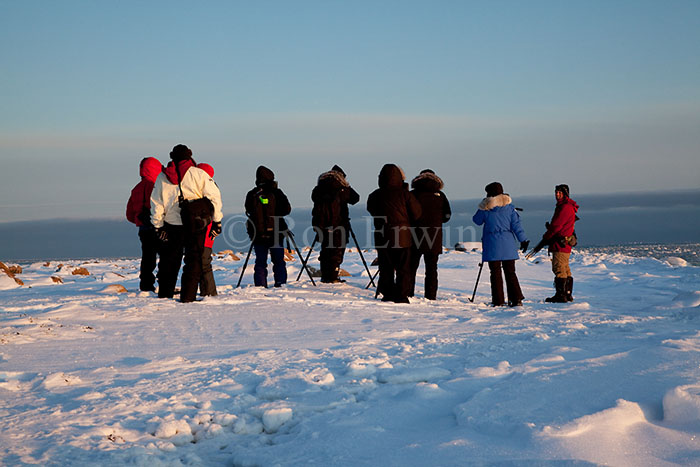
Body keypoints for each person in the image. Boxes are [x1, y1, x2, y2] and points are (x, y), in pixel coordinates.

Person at [150, 145, 223, 302]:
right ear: (189, 157)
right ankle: (188, 298)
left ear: (172, 158)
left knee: (169, 262)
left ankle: (165, 295)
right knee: (193, 261)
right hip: (195, 224)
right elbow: (214, 197)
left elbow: (156, 204)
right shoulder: (198, 174)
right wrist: (217, 221)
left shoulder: (162, 177)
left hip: (171, 225)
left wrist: (158, 226)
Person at [367, 164, 422, 303]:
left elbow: (371, 210)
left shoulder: (375, 195)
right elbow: (417, 213)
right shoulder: (405, 194)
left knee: (386, 266)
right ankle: (401, 294)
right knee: (403, 267)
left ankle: (387, 293)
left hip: (382, 235)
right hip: (403, 236)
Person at [472, 182, 529, 306]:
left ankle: (498, 300)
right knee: (510, 272)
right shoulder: (509, 208)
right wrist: (523, 240)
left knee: (495, 273)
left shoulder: (486, 208)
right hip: (508, 244)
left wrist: (482, 205)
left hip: (492, 244)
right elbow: (516, 226)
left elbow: (476, 220)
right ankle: (516, 299)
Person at [311, 165, 360, 283]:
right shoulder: (342, 189)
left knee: (325, 249)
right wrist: (346, 185)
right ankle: (333, 276)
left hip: (321, 225)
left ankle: (325, 275)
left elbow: (314, 198)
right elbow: (355, 198)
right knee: (337, 250)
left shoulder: (318, 189)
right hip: (339, 224)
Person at [244, 166, 291, 288]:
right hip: (276, 232)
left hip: (258, 233)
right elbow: (287, 209)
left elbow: (248, 210)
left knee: (260, 262)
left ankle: (260, 285)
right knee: (279, 261)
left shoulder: (252, 194)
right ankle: (280, 284)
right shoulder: (277, 193)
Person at [408, 169, 452, 300]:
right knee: (432, 268)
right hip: (434, 235)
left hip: (415, 234)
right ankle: (431, 296)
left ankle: (408, 292)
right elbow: (447, 215)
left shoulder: (412, 194)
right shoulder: (440, 195)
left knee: (411, 267)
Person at [126, 156, 164, 292]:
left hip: (143, 229)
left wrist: (139, 220)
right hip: (157, 226)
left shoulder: (136, 189)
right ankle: (164, 282)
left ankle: (146, 285)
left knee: (148, 258)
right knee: (164, 256)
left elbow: (129, 214)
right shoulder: (156, 186)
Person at [541, 184, 579, 303]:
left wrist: (547, 236)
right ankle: (567, 294)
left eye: (560, 193)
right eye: (556, 192)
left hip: (560, 243)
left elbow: (557, 225)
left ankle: (561, 295)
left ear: (565, 193)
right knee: (565, 267)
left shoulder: (565, 207)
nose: (557, 195)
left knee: (559, 267)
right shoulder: (566, 206)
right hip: (565, 243)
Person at [197, 163, 220, 297]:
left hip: (206, 230)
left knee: (204, 261)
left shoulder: (204, 189)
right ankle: (207, 292)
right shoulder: (211, 188)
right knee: (203, 261)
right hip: (208, 229)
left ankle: (210, 293)